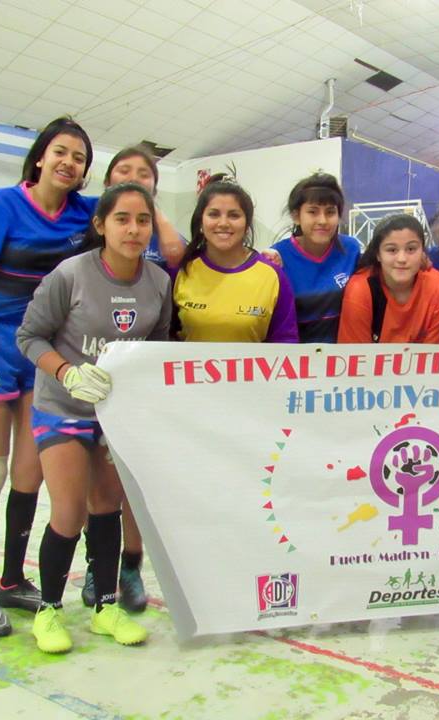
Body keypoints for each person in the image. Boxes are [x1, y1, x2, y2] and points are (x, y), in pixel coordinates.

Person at [0, 117, 96, 637]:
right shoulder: (1, 205)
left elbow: (136, 209)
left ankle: (11, 579)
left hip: (42, 351)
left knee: (29, 475)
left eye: (78, 157)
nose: (68, 163)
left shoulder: (86, 215)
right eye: (60, 151)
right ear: (39, 157)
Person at [17, 182, 172, 653]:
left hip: (114, 413)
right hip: (62, 406)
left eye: (142, 220)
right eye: (122, 219)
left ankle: (107, 607)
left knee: (106, 507)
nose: (133, 229)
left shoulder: (159, 283)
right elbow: (28, 337)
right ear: (100, 224)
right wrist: (66, 372)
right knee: (68, 510)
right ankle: (48, 612)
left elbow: (158, 348)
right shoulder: (69, 275)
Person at [75, 145, 183, 614]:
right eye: (126, 171)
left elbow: (184, 254)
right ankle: (98, 564)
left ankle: (131, 566)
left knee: (137, 482)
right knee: (97, 486)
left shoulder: (160, 239)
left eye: (146, 173)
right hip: (90, 375)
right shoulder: (87, 237)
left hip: (145, 375)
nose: (136, 177)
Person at [172, 180, 298, 343]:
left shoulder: (272, 275)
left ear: (247, 224)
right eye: (214, 214)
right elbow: (165, 335)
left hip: (254, 370)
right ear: (201, 221)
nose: (223, 223)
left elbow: (285, 341)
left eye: (234, 215)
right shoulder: (181, 270)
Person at [269, 173, 363, 342]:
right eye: (313, 212)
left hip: (343, 360)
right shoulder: (277, 258)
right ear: (296, 216)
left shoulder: (351, 250)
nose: (322, 220)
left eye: (330, 212)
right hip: (296, 361)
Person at [338, 214, 439, 344]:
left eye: (411, 249)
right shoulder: (360, 290)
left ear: (423, 251)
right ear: (378, 254)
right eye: (392, 250)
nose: (402, 259)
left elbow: (435, 360)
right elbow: (355, 359)